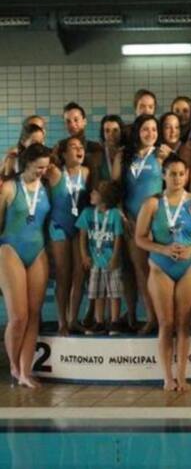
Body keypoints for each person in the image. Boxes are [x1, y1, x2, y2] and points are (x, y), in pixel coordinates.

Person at [135, 155, 191, 391]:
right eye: (172, 174)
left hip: (189, 266)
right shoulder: (152, 204)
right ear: (163, 175)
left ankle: (182, 375)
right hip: (160, 266)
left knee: (183, 322)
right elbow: (139, 238)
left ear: (187, 175)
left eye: (181, 173)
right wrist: (163, 249)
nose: (177, 178)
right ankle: (167, 377)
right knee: (166, 323)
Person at [0, 143, 52, 388]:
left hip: (38, 251)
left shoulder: (46, 187)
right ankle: (13, 365)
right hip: (10, 250)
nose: (43, 171)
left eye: (46, 166)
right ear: (27, 163)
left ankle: (25, 370)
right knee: (18, 316)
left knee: (33, 315)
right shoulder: (9, 188)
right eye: (39, 167)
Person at [113, 114, 170, 333]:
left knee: (158, 270)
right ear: (138, 131)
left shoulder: (161, 155)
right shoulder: (123, 156)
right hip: (132, 220)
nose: (150, 134)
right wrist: (122, 214)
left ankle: (165, 317)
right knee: (141, 271)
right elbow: (116, 187)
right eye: (146, 129)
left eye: (154, 129)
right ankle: (151, 317)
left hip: (157, 222)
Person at [44, 137, 90, 335]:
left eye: (81, 147)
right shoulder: (55, 172)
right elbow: (33, 163)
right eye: (73, 147)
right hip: (59, 227)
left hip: (79, 228)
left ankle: (74, 320)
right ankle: (62, 322)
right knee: (63, 276)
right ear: (63, 154)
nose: (79, 150)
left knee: (79, 275)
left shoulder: (86, 172)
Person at [76, 180, 125, 335]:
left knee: (114, 292)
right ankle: (99, 321)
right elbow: (82, 236)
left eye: (95, 193)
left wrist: (116, 257)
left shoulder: (115, 214)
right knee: (97, 292)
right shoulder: (87, 213)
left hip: (111, 261)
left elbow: (118, 237)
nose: (91, 194)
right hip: (95, 261)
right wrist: (84, 255)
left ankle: (115, 321)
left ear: (105, 197)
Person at [96, 115, 124, 185]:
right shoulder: (98, 154)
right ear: (103, 133)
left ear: (121, 132)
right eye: (107, 131)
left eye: (115, 130)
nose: (111, 134)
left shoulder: (128, 153)